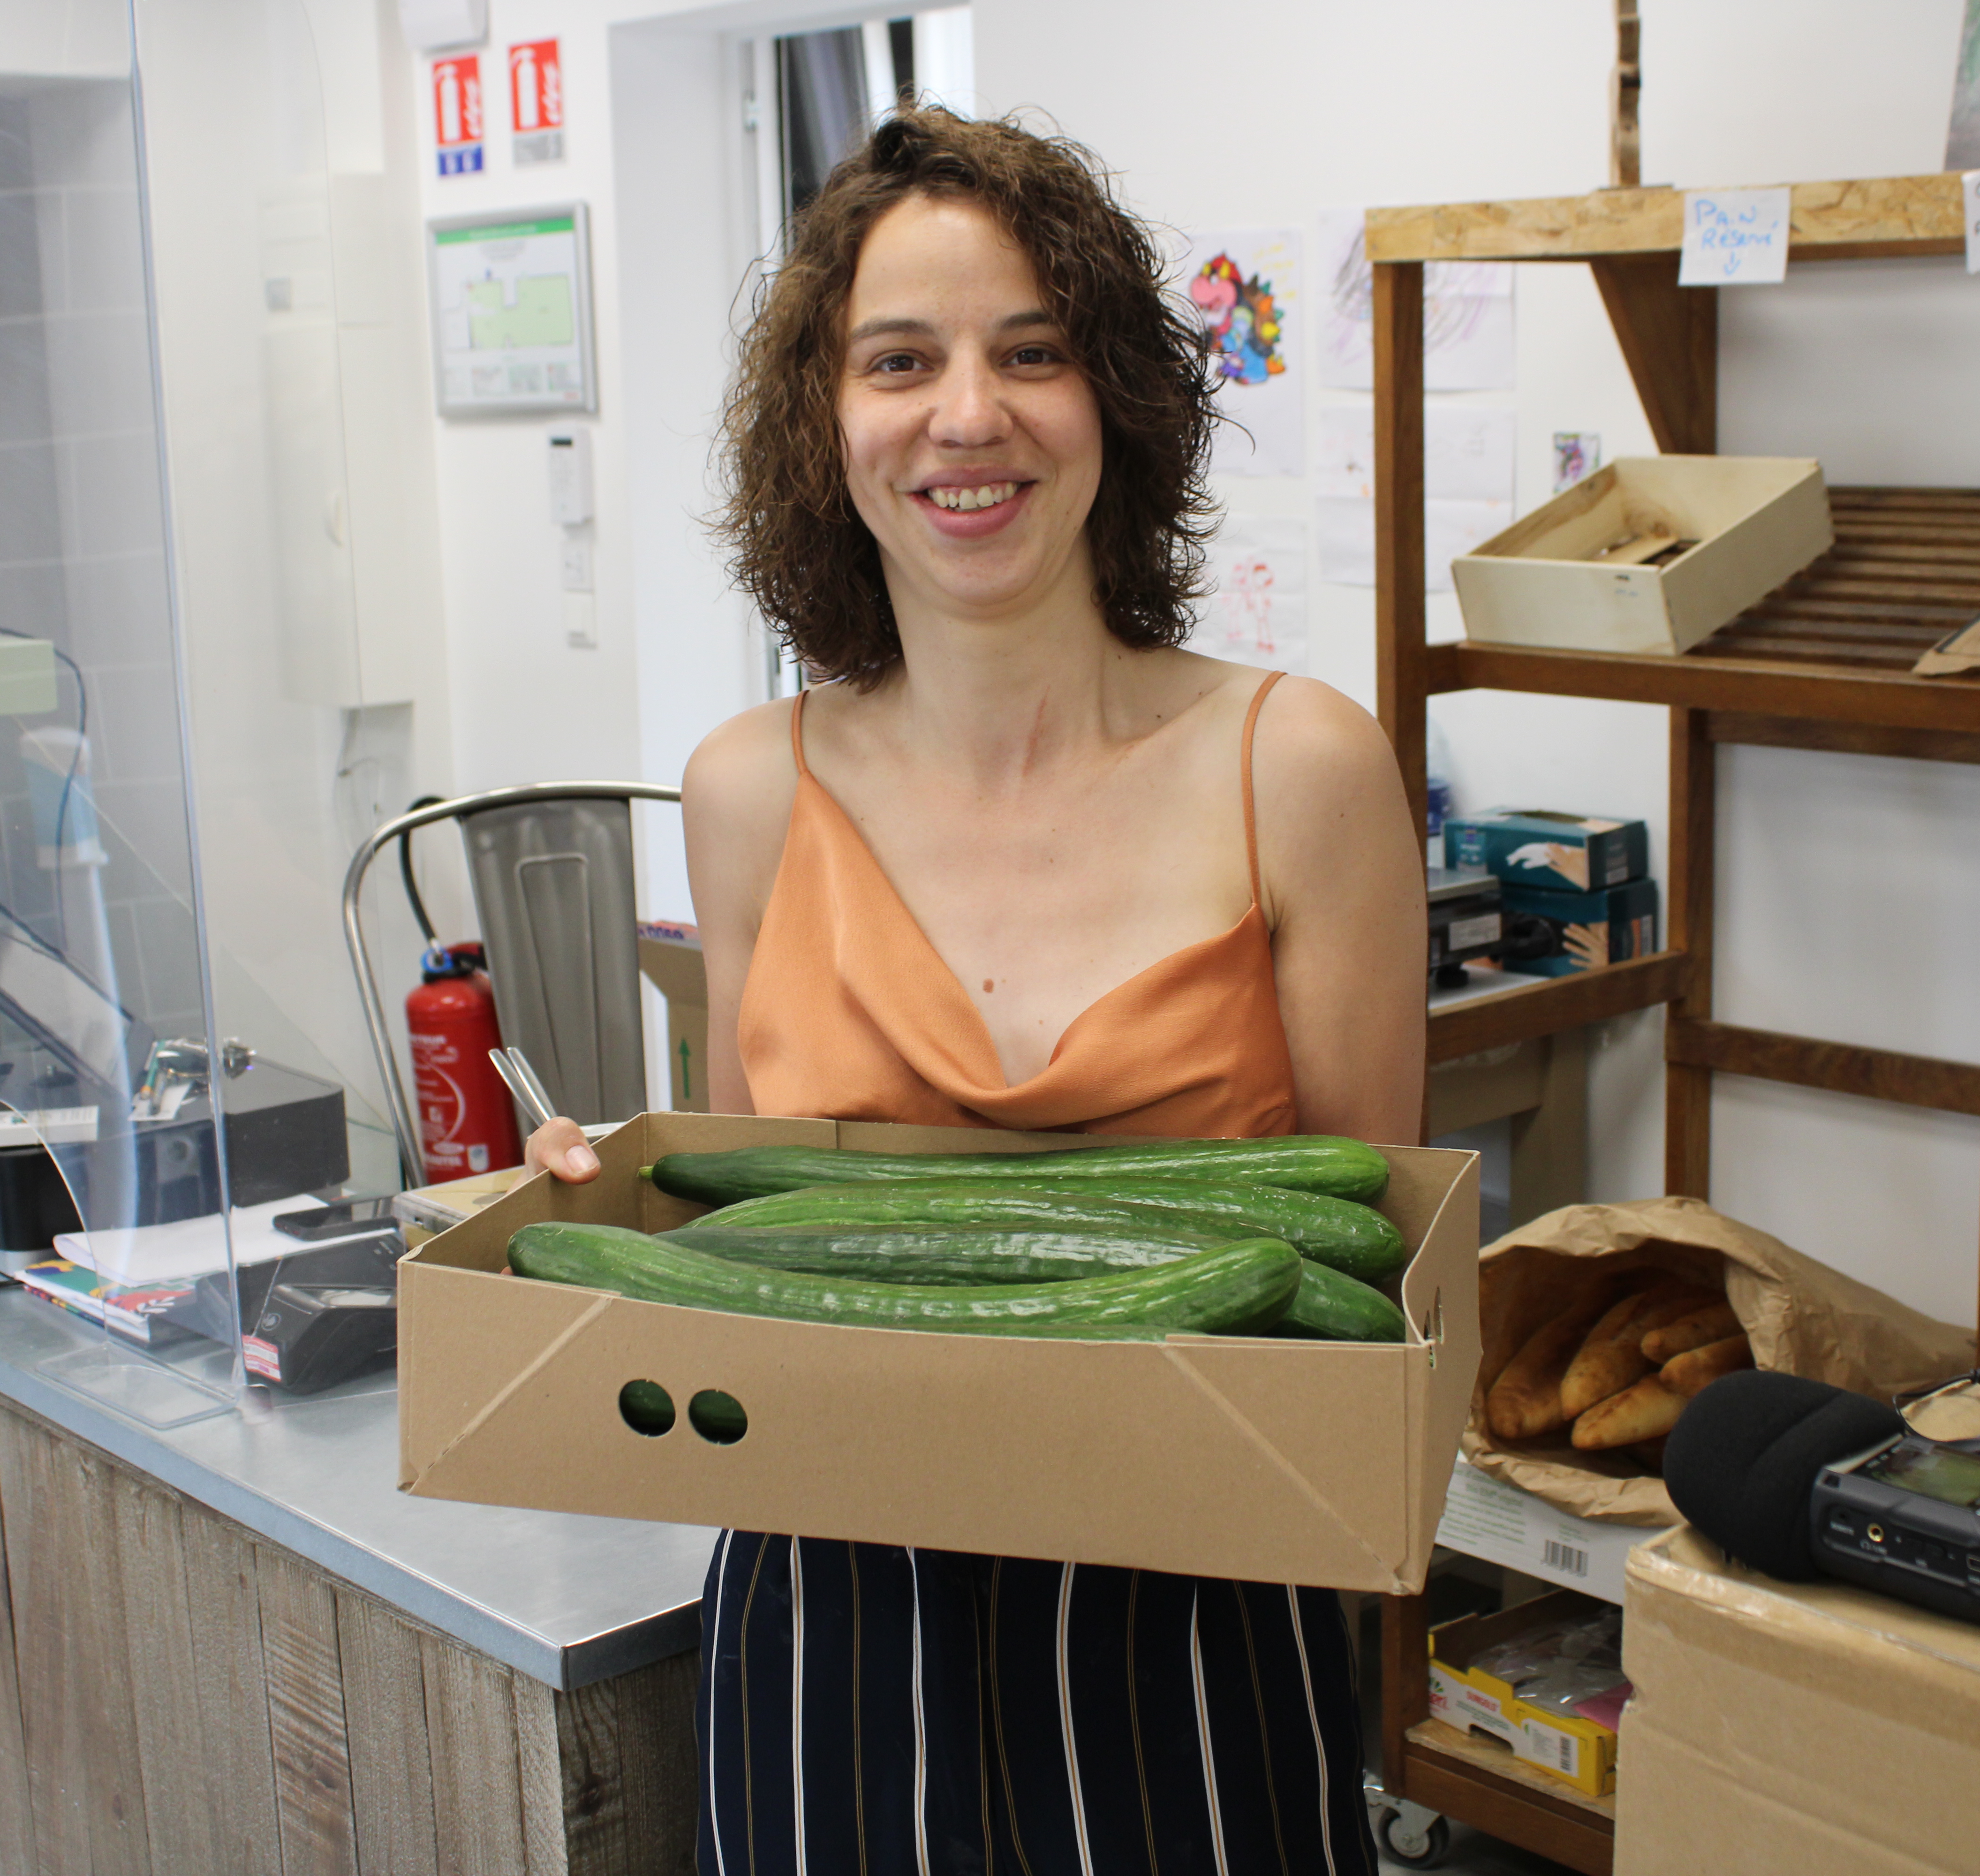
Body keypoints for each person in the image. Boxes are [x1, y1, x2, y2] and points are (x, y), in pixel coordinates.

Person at [524, 106, 1424, 1876]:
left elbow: (1358, 1277)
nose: (967, 416)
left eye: (1033, 352)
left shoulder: (1297, 766)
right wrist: (609, 1199)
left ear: (1119, 406)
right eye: (900, 360)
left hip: (1197, 1612)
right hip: (827, 1604)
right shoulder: (747, 790)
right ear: (825, 422)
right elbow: (765, 1209)